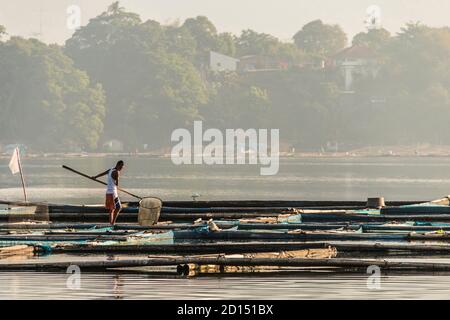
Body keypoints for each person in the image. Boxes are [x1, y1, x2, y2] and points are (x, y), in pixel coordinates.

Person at [92, 161, 124, 225]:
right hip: (113, 193)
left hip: (108, 193)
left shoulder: (110, 169)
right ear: (117, 165)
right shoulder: (117, 172)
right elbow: (117, 184)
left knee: (113, 209)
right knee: (117, 208)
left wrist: (95, 177)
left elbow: (102, 174)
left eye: (122, 167)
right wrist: (115, 182)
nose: (121, 168)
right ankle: (112, 224)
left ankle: (112, 223)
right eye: (120, 167)